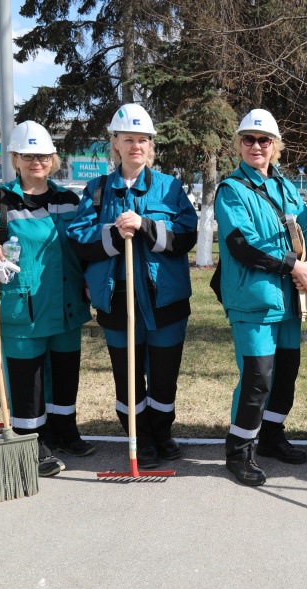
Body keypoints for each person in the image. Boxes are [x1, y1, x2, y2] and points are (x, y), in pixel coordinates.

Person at [68, 104, 198, 470]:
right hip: (117, 298)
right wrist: (113, 232)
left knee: (164, 374)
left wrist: (145, 226)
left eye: (142, 140)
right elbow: (77, 237)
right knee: (127, 375)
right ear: (116, 144)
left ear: (150, 146)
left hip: (165, 299)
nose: (135, 146)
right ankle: (138, 437)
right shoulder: (97, 190)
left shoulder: (170, 188)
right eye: (128, 139)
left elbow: (187, 235)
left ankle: (161, 433)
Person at [0, 121, 94, 476]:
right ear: (16, 158)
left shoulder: (68, 198)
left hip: (67, 306)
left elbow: (82, 246)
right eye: (28, 155)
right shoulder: (1, 198)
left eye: (42, 155)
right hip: (24, 307)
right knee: (28, 380)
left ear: (52, 158)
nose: (36, 161)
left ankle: (65, 431)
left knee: (66, 374)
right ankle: (31, 441)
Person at [214, 109, 307, 486]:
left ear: (275, 146)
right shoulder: (231, 189)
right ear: (239, 145)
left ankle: (273, 435)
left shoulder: (286, 187)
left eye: (264, 141)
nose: (256, 146)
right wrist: (295, 266)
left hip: (288, 302)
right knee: (257, 378)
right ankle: (239, 451)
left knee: (285, 376)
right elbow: (243, 243)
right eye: (249, 140)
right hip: (253, 302)